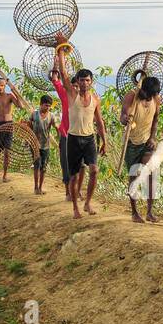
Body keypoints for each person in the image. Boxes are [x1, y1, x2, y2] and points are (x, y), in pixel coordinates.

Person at [120, 75, 162, 222]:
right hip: (131, 143)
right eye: (147, 94)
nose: (149, 97)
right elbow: (123, 116)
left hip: (146, 142)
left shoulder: (156, 99)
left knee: (151, 172)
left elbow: (156, 119)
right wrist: (125, 118)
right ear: (142, 89)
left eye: (152, 95)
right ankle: (134, 213)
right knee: (134, 177)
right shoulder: (132, 96)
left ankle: (150, 212)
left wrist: (152, 138)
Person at [66, 68, 107, 218]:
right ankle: (75, 208)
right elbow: (64, 74)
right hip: (73, 139)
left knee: (94, 171)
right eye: (82, 80)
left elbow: (100, 121)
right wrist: (60, 51)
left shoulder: (95, 99)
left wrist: (104, 141)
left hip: (89, 139)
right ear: (77, 81)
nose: (84, 83)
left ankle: (88, 203)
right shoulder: (72, 95)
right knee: (74, 177)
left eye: (87, 80)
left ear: (91, 82)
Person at [0, 75, 29, 182]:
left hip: (9, 125)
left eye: (1, 85)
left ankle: (5, 174)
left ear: (5, 86)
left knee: (7, 151)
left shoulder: (10, 96)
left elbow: (21, 106)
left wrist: (15, 93)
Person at [49, 50, 74, 201]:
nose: (76, 88)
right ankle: (67, 192)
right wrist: (56, 64)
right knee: (65, 163)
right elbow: (55, 78)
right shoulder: (65, 95)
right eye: (74, 85)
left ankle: (77, 191)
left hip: (79, 135)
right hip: (65, 134)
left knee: (79, 165)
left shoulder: (86, 99)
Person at [30, 94, 57, 195]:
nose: (47, 107)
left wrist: (60, 135)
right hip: (35, 144)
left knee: (43, 167)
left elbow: (56, 126)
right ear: (41, 104)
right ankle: (36, 187)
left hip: (46, 145)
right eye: (46, 105)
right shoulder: (34, 114)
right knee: (37, 165)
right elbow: (29, 125)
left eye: (49, 106)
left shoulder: (51, 116)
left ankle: (40, 187)